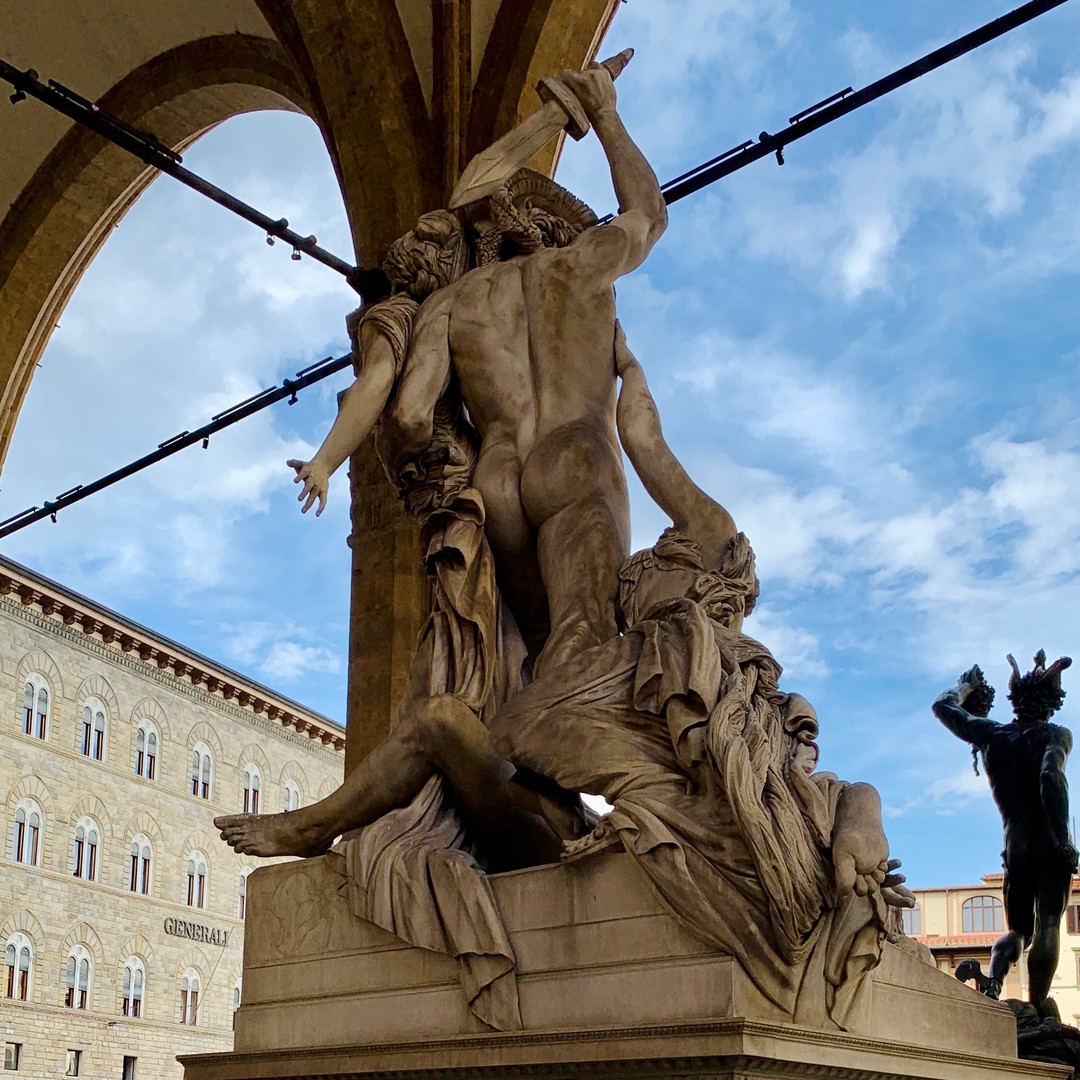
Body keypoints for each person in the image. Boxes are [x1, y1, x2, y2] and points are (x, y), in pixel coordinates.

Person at [378, 62, 667, 671]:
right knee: (585, 650)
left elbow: (408, 417)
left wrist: (429, 476)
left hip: (498, 474)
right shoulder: (582, 266)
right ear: (554, 227)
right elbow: (648, 213)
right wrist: (605, 114)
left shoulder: (451, 301)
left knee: (534, 662)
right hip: (576, 453)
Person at [933, 652, 1077, 1011]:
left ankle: (994, 983)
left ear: (1016, 701)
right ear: (1052, 703)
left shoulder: (992, 734)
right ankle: (1038, 1007)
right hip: (1047, 836)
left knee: (1018, 931)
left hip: (1015, 841)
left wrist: (965, 687)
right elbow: (1051, 776)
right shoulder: (1055, 734)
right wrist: (1064, 839)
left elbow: (942, 707)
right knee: (1048, 922)